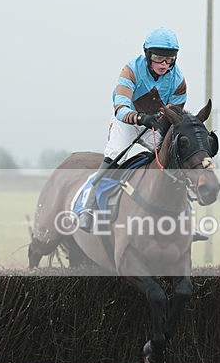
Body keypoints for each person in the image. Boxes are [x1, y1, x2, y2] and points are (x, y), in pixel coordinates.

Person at [77, 26, 187, 232]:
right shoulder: (130, 70)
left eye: (169, 59)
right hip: (127, 122)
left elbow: (176, 114)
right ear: (147, 55)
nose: (164, 64)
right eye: (158, 58)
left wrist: (161, 121)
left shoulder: (178, 81)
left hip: (153, 124)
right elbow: (120, 107)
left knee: (174, 159)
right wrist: (140, 117)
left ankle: (186, 215)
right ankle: (87, 207)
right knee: (113, 159)